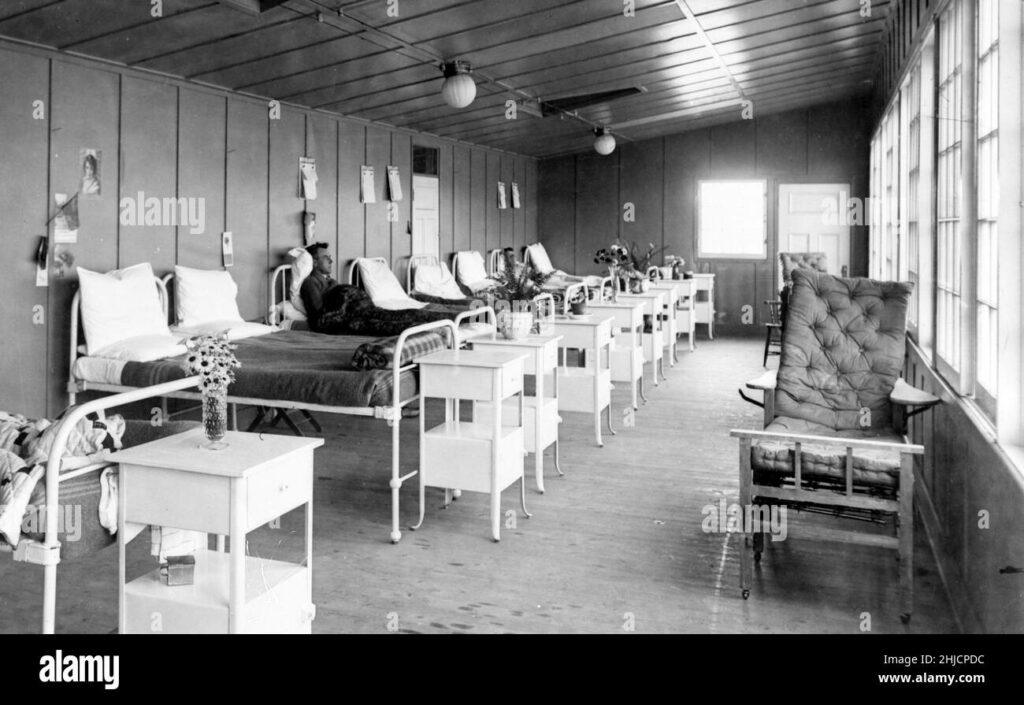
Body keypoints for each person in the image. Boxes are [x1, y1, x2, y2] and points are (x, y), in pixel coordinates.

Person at [300, 242, 336, 330]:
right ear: (315, 263)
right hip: (323, 325)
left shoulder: (330, 281)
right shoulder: (310, 282)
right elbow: (319, 312)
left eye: (330, 257)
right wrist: (333, 285)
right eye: (326, 258)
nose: (331, 261)